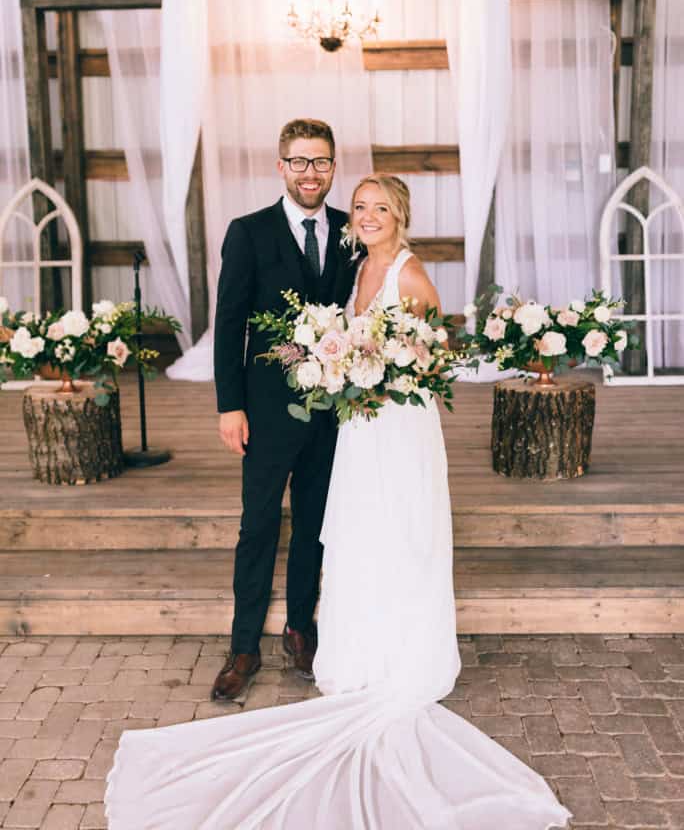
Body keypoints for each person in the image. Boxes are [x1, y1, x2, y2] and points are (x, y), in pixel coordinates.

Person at [104, 174, 571, 830]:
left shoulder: (409, 273)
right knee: (355, 536)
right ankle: (351, 651)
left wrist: (384, 374)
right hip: (358, 428)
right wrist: (346, 367)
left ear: (399, 214)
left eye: (381, 207)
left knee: (401, 536)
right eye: (361, 206)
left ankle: (405, 656)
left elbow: (439, 355)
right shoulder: (356, 270)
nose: (369, 215)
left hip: (398, 430)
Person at [211, 118, 357, 699]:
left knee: (315, 526)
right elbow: (229, 324)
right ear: (281, 167)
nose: (310, 173)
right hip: (267, 409)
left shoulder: (351, 230)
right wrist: (230, 407)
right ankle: (244, 645)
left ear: (333, 166)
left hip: (332, 411)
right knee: (259, 525)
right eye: (298, 162)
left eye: (320, 162)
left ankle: (301, 629)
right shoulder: (248, 232)